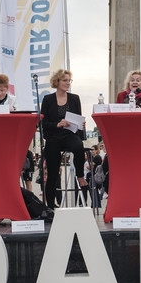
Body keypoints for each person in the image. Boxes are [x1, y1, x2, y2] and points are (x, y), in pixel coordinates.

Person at [40, 69, 88, 211]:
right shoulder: (48, 99)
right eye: (65, 80)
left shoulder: (74, 98)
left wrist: (82, 126)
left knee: (78, 146)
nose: (68, 83)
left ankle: (80, 175)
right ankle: (49, 206)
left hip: (69, 135)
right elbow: (43, 123)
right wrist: (58, 124)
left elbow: (78, 120)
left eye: (69, 80)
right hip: (53, 136)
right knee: (53, 173)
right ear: (57, 82)